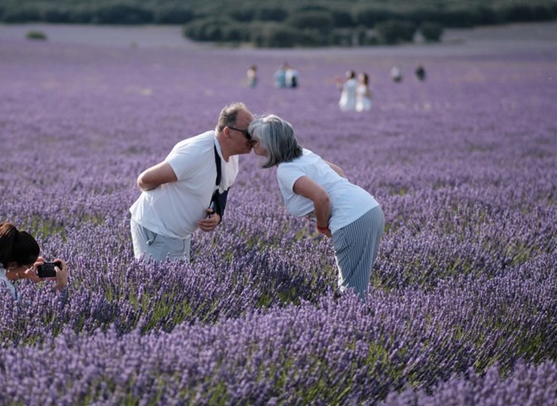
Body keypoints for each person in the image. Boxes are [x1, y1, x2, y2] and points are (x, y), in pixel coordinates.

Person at [248, 115, 384, 299]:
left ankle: (356, 326)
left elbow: (321, 197)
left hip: (351, 220)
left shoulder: (286, 170)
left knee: (351, 293)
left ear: (269, 144)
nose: (251, 143)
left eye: (255, 140)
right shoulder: (304, 154)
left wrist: (322, 226)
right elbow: (339, 173)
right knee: (359, 286)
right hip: (370, 209)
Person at [130, 102, 255, 262]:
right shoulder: (196, 153)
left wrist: (217, 216)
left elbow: (220, 192)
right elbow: (145, 180)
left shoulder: (232, 158)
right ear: (228, 132)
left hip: (181, 236)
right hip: (156, 231)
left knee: (176, 286)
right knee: (158, 285)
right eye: (249, 134)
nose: (253, 139)